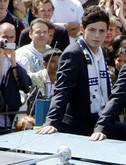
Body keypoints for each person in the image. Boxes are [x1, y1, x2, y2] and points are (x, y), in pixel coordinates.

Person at [37, 6, 110, 136]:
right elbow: (62, 90)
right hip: (77, 126)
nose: (97, 35)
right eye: (92, 30)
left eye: (102, 31)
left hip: (99, 122)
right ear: (82, 29)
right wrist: (52, 122)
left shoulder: (102, 52)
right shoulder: (73, 53)